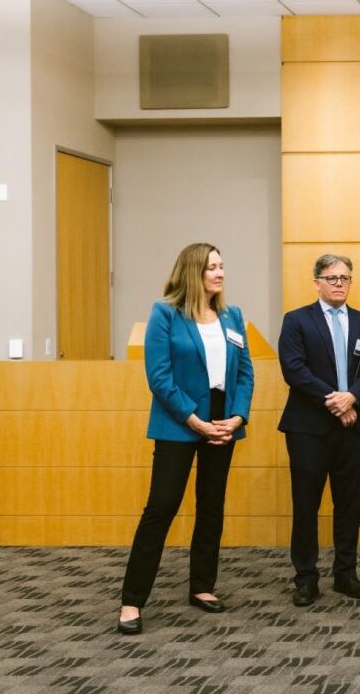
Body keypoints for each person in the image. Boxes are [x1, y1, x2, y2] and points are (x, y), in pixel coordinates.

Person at [117, 243, 254, 635]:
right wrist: (195, 420)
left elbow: (245, 373)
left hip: (222, 421)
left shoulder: (232, 315)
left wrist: (237, 417)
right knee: (161, 507)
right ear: (193, 271)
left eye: (222, 266)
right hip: (180, 421)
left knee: (211, 506)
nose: (220, 273)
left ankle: (202, 587)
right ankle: (131, 600)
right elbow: (159, 378)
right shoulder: (165, 313)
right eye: (212, 267)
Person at [278, 254, 360, 607]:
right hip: (309, 429)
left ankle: (346, 573)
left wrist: (352, 397)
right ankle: (306, 577)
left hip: (355, 429)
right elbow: (294, 370)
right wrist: (336, 401)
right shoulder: (296, 321)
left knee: (350, 505)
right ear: (317, 282)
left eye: (345, 278)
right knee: (306, 505)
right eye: (332, 277)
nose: (339, 283)